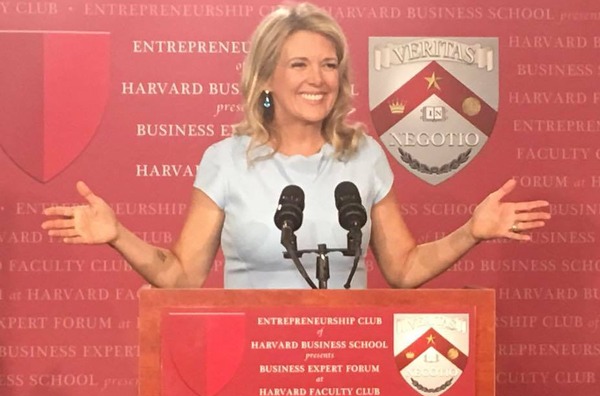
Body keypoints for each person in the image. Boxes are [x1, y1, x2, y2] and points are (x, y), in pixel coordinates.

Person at [41, 2, 550, 290]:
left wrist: (471, 232)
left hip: (351, 361)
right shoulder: (226, 160)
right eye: (299, 65)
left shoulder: (365, 156)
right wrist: (118, 236)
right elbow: (181, 276)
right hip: (252, 363)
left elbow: (404, 268)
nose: (318, 79)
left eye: (329, 65)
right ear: (266, 78)